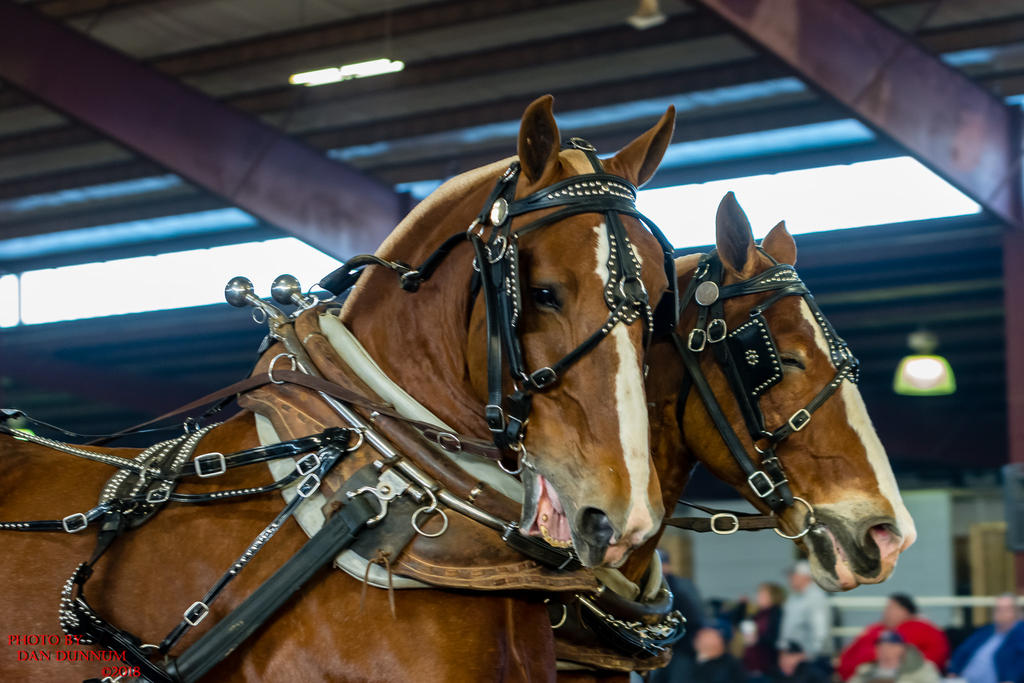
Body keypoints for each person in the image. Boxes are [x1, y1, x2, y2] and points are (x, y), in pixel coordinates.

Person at [837, 594, 949, 680]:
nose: (887, 612)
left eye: (892, 608)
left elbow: (885, 655)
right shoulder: (877, 629)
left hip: (905, 675)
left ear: (906, 611)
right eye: (887, 608)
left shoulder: (920, 629)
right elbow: (850, 653)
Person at [650, 549, 706, 683]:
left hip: (681, 647)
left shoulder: (682, 588)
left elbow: (696, 618)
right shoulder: (650, 588)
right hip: (655, 647)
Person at [947, 593, 1024, 683]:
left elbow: (1020, 662)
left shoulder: (1020, 634)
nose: (1000, 613)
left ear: (1016, 612)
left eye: (1005, 609)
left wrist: (1012, 679)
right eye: (997, 609)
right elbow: (963, 651)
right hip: (964, 679)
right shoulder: (985, 631)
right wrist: (953, 671)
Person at [779, 562, 831, 663]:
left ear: (806, 577)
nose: (790, 578)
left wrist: (806, 656)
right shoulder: (793, 598)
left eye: (794, 575)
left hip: (810, 659)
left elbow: (821, 633)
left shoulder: (816, 598)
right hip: (793, 655)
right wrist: (783, 653)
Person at [848, 630, 940, 683]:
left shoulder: (923, 669)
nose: (884, 649)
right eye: (880, 645)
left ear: (901, 648)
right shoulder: (864, 670)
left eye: (890, 645)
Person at [739, 582, 787, 679]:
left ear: (773, 596)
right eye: (759, 593)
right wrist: (742, 606)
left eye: (763, 594)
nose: (759, 596)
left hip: (768, 663)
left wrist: (757, 639)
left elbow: (775, 638)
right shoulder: (758, 614)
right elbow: (740, 622)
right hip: (752, 662)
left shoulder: (776, 614)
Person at [693, 619, 746, 683]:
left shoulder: (728, 668)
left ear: (719, 641)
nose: (699, 634)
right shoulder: (687, 658)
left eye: (707, 633)